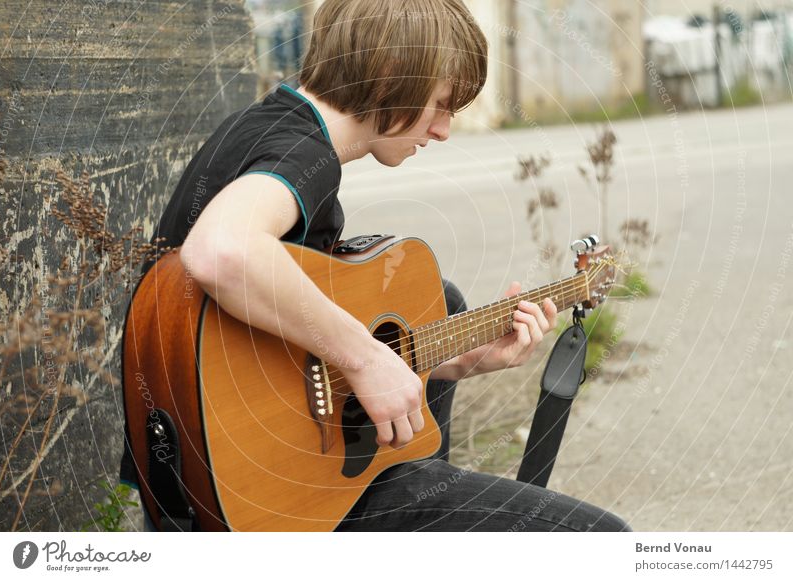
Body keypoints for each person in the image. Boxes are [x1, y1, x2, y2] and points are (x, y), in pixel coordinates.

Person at [125, 0, 631, 532]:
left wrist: (459, 358)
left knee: (440, 299)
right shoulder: (300, 153)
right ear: (391, 74)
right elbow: (220, 249)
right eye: (440, 104)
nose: (443, 131)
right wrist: (367, 360)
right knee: (602, 540)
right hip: (259, 494)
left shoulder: (270, 123)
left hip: (207, 479)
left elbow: (286, 354)